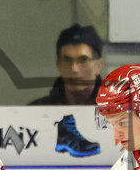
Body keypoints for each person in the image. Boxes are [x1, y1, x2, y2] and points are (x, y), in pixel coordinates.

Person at [30, 23, 103, 157]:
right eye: (67, 60)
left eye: (83, 60)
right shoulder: (35, 112)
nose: (74, 69)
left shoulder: (118, 113)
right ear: (58, 64)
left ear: (99, 65)